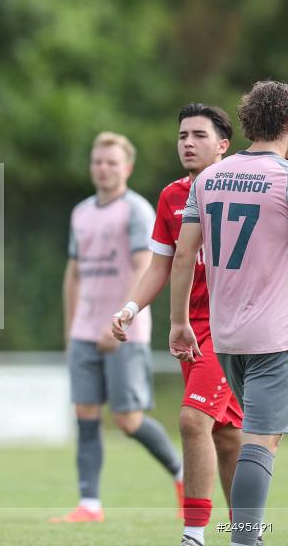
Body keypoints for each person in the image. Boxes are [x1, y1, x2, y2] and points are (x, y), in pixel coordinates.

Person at [112, 103, 243, 546]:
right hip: (190, 330)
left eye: (199, 135)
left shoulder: (244, 189)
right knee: (226, 437)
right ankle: (247, 535)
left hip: (234, 326)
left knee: (191, 420)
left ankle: (193, 535)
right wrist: (130, 308)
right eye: (183, 135)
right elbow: (159, 267)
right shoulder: (171, 197)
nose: (187, 142)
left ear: (224, 145)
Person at [170, 80, 288, 546]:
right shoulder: (283, 179)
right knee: (260, 442)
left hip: (225, 335)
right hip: (274, 336)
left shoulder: (209, 179)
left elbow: (184, 256)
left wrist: (179, 321)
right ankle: (245, 541)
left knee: (251, 437)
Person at [52, 132, 183, 523]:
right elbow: (73, 275)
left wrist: (119, 321)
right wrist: (70, 329)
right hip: (84, 332)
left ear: (127, 167)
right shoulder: (80, 213)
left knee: (127, 420)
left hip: (125, 331)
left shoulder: (137, 210)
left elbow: (147, 266)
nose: (103, 168)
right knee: (85, 413)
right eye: (97, 161)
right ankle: (89, 505)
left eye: (111, 162)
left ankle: (182, 473)